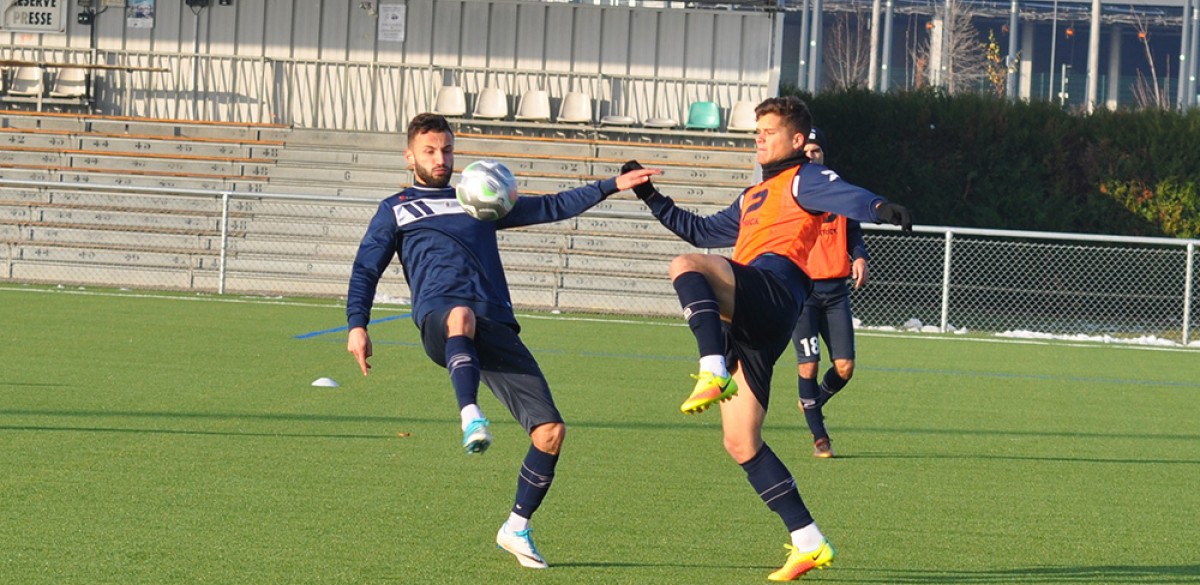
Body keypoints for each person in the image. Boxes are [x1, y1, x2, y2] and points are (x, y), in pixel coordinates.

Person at [345, 113, 658, 570]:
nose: (441, 158)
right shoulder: (396, 207)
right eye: (430, 151)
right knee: (460, 314)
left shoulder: (478, 197)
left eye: (447, 149)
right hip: (440, 318)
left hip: (494, 325)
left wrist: (612, 184)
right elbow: (365, 268)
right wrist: (358, 323)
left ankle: (516, 526)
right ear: (409, 155)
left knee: (550, 432)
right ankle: (470, 413)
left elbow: (553, 205)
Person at [622, 95, 910, 581]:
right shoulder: (753, 195)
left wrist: (881, 207)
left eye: (769, 131)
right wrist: (650, 196)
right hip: (755, 318)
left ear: (797, 140)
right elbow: (699, 230)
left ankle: (713, 368)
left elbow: (849, 195)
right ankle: (809, 541)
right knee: (740, 441)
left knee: (684, 269)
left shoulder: (804, 176)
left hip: (773, 290)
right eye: (756, 132)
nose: (759, 139)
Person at [791, 127, 870, 459]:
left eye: (817, 151)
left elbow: (852, 229)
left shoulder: (837, 191)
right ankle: (819, 436)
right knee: (808, 366)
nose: (812, 155)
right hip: (804, 293)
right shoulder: (792, 194)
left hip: (836, 292)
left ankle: (812, 402)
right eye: (807, 151)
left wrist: (860, 256)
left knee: (845, 367)